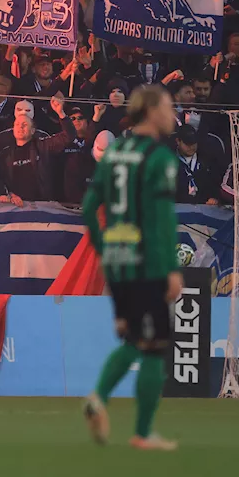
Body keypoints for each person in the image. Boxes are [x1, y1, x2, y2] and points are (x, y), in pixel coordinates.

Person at [81, 85, 182, 451]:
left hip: (117, 260)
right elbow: (161, 218)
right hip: (147, 263)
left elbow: (89, 209)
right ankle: (142, 433)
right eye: (169, 106)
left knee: (133, 338)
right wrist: (170, 268)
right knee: (155, 345)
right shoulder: (159, 158)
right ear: (151, 111)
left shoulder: (114, 152)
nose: (173, 113)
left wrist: (105, 248)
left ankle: (98, 400)